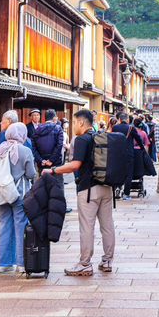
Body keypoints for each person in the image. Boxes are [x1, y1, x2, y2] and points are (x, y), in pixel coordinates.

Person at [41, 109, 115, 276]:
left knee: (87, 227)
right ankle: (107, 261)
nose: (73, 126)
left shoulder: (82, 139)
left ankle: (85, 264)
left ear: (81, 123)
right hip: (106, 187)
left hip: (89, 190)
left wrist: (53, 170)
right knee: (107, 225)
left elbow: (75, 165)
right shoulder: (100, 136)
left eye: (74, 122)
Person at [0, 122, 36, 273]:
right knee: (21, 226)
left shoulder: (0, 149)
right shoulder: (25, 151)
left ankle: (3, 263)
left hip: (3, 193)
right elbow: (31, 174)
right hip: (19, 193)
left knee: (4, 225)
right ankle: (22, 263)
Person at [31, 109, 69, 212]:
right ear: (54, 118)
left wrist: (41, 160)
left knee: (44, 185)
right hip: (55, 163)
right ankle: (60, 207)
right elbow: (59, 145)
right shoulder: (58, 128)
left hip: (42, 164)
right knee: (58, 184)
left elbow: (33, 147)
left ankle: (45, 207)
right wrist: (51, 160)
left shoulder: (37, 129)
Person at [112, 112, 146, 199]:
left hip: (117, 154)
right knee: (128, 173)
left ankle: (118, 188)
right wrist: (142, 148)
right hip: (128, 153)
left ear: (119, 119)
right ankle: (126, 194)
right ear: (127, 120)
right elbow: (138, 139)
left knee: (118, 172)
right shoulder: (131, 128)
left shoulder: (114, 127)